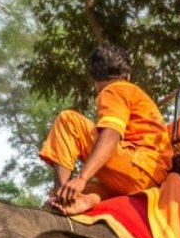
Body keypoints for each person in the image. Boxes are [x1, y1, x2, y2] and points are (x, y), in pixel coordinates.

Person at [39, 42, 172, 215]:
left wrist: (82, 177)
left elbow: (111, 134)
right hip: (148, 177)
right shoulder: (131, 91)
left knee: (68, 120)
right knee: (86, 191)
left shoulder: (115, 89)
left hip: (138, 166)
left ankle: (61, 196)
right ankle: (87, 200)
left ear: (94, 78)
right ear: (128, 75)